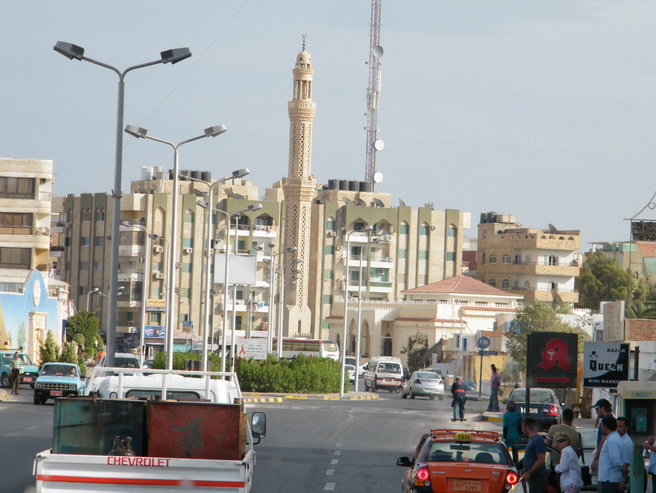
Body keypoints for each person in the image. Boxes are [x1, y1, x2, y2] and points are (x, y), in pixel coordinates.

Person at [521, 417, 549, 493]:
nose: (522, 430)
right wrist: (524, 470)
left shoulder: (537, 440)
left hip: (537, 478)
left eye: (523, 428)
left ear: (527, 427)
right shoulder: (532, 440)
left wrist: (529, 473)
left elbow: (541, 460)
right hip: (532, 478)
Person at [597, 415, 624, 493]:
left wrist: (622, 468)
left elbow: (615, 459)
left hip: (609, 479)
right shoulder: (614, 438)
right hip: (609, 478)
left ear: (605, 427)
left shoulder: (612, 440)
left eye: (602, 426)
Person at [591, 398, 614, 474]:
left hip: (604, 458)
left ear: (602, 408)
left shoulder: (606, 421)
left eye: (597, 410)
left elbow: (603, 439)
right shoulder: (611, 419)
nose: (596, 412)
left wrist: (596, 459)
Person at [615, 417, 632, 492]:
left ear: (626, 428)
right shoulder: (619, 439)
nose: (618, 428)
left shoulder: (626, 443)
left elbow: (626, 464)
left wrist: (622, 481)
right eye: (616, 426)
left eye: (620, 426)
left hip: (622, 478)